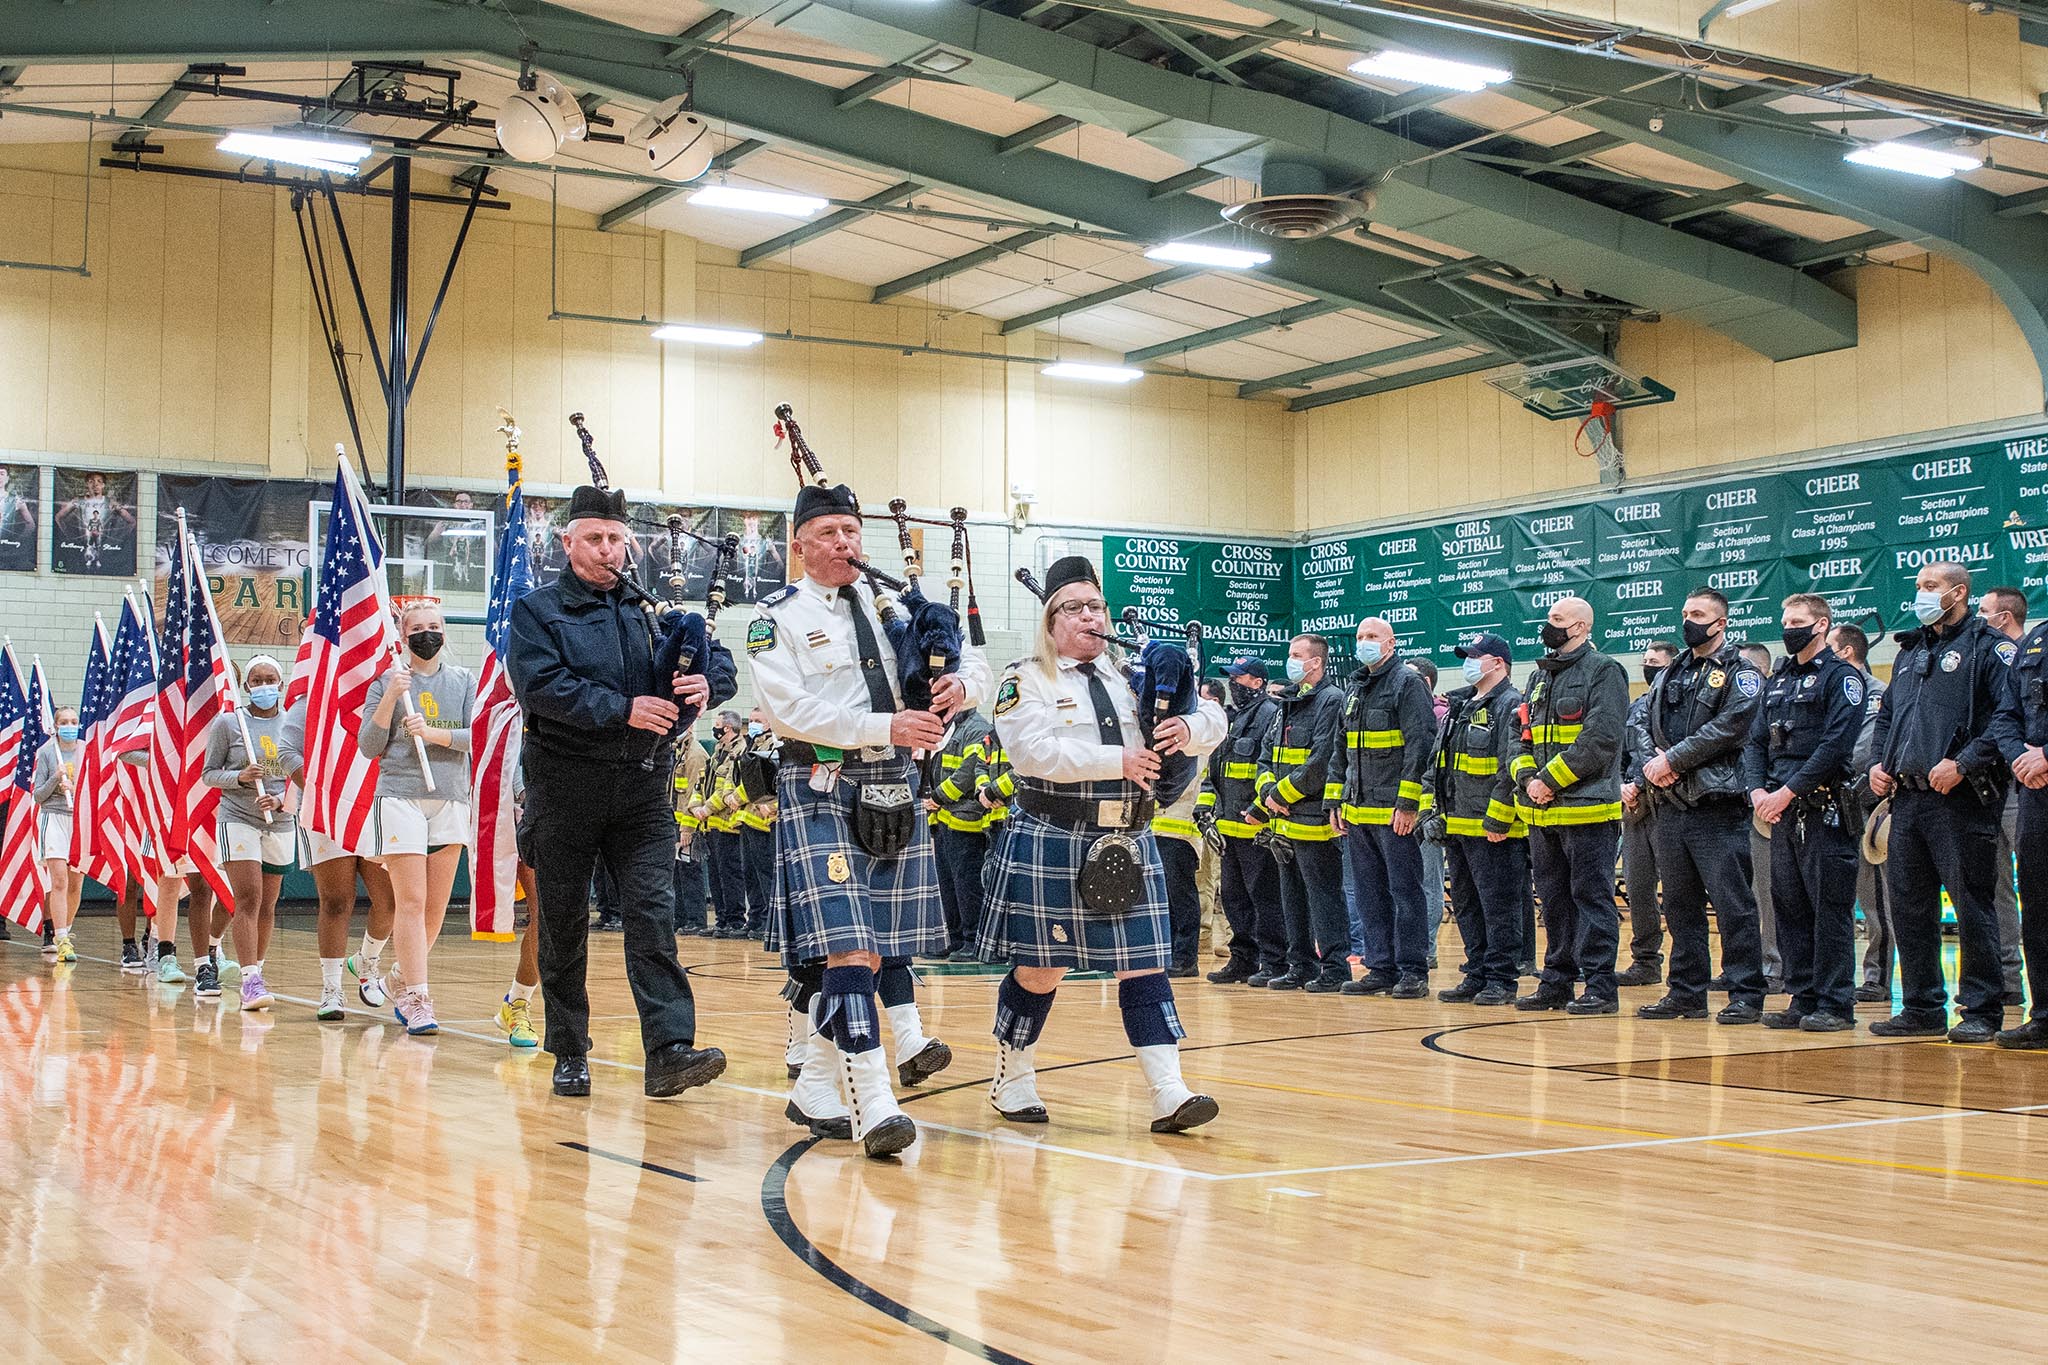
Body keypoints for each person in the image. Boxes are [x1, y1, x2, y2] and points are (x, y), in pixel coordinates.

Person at [747, 478, 988, 1157]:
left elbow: (977, 661)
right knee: (848, 947)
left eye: (851, 531)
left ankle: (814, 1087)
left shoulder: (896, 606)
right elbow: (790, 709)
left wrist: (960, 686)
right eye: (828, 533)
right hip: (821, 783)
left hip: (896, 782)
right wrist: (887, 724)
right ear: (800, 546)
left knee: (876, 948)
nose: (844, 543)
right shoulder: (776, 617)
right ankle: (874, 1102)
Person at [978, 555, 1224, 1133]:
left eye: (1096, 606)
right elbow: (1030, 752)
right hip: (1056, 833)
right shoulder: (1026, 679)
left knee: (1144, 965)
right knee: (1041, 969)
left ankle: (1168, 1090)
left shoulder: (1132, 675)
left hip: (1130, 836)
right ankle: (1013, 1075)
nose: (1089, 617)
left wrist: (1189, 727)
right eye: (1074, 608)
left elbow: (1216, 716)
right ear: (1051, 621)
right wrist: (1118, 760)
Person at [509, 482, 733, 1098]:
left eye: (615, 538)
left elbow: (715, 658)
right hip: (565, 788)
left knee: (653, 917)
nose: (606, 549)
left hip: (642, 790)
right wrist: (622, 708)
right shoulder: (538, 611)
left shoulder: (651, 610)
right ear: (568, 543)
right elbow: (540, 687)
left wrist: (710, 685)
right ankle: (569, 1050)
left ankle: (669, 1051)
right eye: (594, 538)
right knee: (562, 924)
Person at [1867, 561, 2014, 1042]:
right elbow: (1888, 716)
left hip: (1962, 798)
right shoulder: (1911, 651)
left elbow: (2007, 717)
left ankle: (1982, 1010)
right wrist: (1879, 762)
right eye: (1918, 586)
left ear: (1959, 593)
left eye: (1930, 586)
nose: (1921, 594)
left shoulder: (1989, 647)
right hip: (1907, 799)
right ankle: (1921, 1007)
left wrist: (1964, 763)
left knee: (1972, 906)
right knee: (1909, 907)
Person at [1633, 590, 1768, 1026]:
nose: (1688, 620)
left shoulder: (1741, 672)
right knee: (1678, 904)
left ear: (1721, 623)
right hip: (1670, 804)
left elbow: (1731, 727)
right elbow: (1641, 721)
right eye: (1685, 612)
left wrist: (1672, 760)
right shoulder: (1671, 671)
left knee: (1733, 905)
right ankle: (1686, 992)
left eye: (1698, 614)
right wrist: (1653, 765)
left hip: (1717, 806)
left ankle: (1746, 992)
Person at [1743, 595, 1864, 1031]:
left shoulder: (1841, 677)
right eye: (1785, 621)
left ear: (1821, 625)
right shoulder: (1778, 679)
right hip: (1781, 812)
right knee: (1789, 906)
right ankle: (1802, 996)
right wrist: (1757, 789)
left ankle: (1834, 1003)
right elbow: (1756, 741)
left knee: (1828, 909)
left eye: (1797, 622)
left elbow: (1835, 746)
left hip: (1824, 809)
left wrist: (1787, 791)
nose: (1788, 629)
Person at [358, 601, 475, 1035]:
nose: (427, 634)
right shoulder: (386, 682)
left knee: (435, 910)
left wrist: (433, 734)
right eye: (418, 628)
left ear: (444, 631)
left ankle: (398, 979)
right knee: (410, 901)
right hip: (400, 797)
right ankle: (419, 997)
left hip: (450, 797)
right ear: (403, 637)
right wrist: (391, 695)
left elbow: (477, 736)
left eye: (434, 626)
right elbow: (369, 746)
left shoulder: (464, 681)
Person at [1512, 595, 1629, 1014]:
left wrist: (1549, 780)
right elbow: (1519, 736)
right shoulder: (1538, 676)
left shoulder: (1604, 670)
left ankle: (1599, 986)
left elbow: (1601, 739)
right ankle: (1556, 982)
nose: (1549, 625)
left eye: (1557, 619)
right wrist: (1528, 779)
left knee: (1591, 899)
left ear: (1579, 627)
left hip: (1588, 810)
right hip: (1542, 813)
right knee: (1554, 901)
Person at [1332, 617, 1438, 998]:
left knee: (1405, 892)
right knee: (1369, 895)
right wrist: (1336, 800)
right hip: (1358, 813)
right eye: (1361, 636)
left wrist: (1408, 804)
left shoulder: (1407, 683)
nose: (1365, 642)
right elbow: (1340, 750)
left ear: (1391, 643)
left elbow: (1420, 745)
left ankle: (1413, 970)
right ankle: (1380, 967)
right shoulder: (1355, 688)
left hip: (1395, 814)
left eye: (1373, 636)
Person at [279, 692, 398, 1016]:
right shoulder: (310, 699)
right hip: (325, 809)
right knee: (336, 900)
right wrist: (320, 793)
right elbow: (287, 751)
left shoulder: (383, 693)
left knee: (389, 901)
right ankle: (331, 989)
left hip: (375, 805)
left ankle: (366, 961)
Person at [1433, 633, 1527, 1006]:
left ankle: (1501, 979)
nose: (1468, 663)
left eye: (1475, 656)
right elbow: (1438, 764)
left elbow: (1510, 766)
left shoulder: (1510, 703)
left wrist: (1499, 818)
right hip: (1458, 824)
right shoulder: (1460, 706)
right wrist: (1433, 811)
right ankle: (1476, 972)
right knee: (1467, 905)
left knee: (1499, 907)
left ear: (1497, 663)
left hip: (1493, 830)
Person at [1254, 635, 1350, 991]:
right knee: (1291, 899)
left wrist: (1282, 794)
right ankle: (1301, 965)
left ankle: (1335, 968)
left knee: (1324, 898)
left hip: (1313, 821)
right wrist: (1268, 793)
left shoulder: (1332, 700)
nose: (1290, 661)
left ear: (1316, 662)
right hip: (1282, 822)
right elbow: (1266, 756)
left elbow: (1322, 759)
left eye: (1297, 655)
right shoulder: (1288, 702)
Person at [202, 656, 297, 1010]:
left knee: (268, 904)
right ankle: (249, 980)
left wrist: (282, 801)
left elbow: (303, 777)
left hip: (280, 822)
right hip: (237, 817)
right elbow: (209, 774)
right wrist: (239, 778)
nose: (264, 685)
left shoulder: (293, 724)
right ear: (246, 686)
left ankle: (258, 968)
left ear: (281, 684)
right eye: (256, 681)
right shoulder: (229, 723)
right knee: (248, 898)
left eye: (270, 679)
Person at [1197, 659, 1284, 985]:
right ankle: (1243, 959)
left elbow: (1272, 768)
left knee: (1265, 898)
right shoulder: (1231, 719)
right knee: (1234, 898)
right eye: (1232, 678)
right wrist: (1205, 810)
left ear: (1258, 682)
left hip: (1256, 826)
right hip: (1227, 827)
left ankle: (1274, 961)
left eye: (1240, 678)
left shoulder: (1271, 715)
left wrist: (1261, 809)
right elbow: (1214, 770)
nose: (1234, 684)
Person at [1991, 600, 2048, 1047]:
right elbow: (2005, 714)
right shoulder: (2035, 641)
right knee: (2039, 903)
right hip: (2035, 790)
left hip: (2040, 767)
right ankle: (2044, 1015)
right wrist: (2020, 758)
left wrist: (2046, 755)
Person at [1831, 622, 1894, 1003]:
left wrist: (1827, 769)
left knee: (1875, 901)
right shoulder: (1828, 691)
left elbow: (1866, 750)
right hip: (1826, 804)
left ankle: (1876, 977)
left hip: (1865, 803)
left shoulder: (1876, 694)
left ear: (1847, 652)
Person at [1978, 586, 2029, 1006]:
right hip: (1991, 785)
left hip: (2030, 785)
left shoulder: (2027, 656)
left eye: (1984, 611)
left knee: (2035, 883)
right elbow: (1996, 722)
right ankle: (2008, 979)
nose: (1980, 618)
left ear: (2004, 617)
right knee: (1995, 889)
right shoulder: (1983, 658)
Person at [1619, 640, 1677, 987]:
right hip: (1635, 808)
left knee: (1679, 890)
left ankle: (1689, 967)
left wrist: (1641, 782)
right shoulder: (1635, 706)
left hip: (1671, 804)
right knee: (1638, 887)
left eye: (1654, 661)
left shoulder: (1678, 705)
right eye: (1645, 660)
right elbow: (1621, 755)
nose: (1647, 666)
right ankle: (1645, 961)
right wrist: (1623, 785)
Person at [930, 704, 997, 960]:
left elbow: (967, 774)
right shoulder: (953, 728)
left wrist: (937, 796)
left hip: (967, 819)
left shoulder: (976, 728)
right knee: (948, 884)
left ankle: (973, 940)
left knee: (967, 883)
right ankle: (955, 938)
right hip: (946, 817)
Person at [1736, 640, 1783, 991]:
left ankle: (1776, 967)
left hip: (1774, 806)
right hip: (1741, 805)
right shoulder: (1735, 703)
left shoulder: (1771, 701)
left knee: (1772, 894)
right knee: (1749, 894)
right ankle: (1749, 965)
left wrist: (1765, 793)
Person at [33, 706, 85, 964]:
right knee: (60, 881)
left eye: (74, 721)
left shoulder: (85, 750)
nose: (69, 726)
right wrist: (55, 778)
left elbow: (94, 786)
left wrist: (75, 788)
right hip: (53, 817)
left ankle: (65, 929)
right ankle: (61, 937)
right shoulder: (47, 752)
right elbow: (38, 795)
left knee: (75, 884)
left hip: (78, 819)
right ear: (55, 726)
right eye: (64, 722)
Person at [1409, 657, 1449, 970]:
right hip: (1396, 810)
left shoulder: (1440, 715)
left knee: (1428, 881)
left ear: (1425, 682)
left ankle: (1427, 948)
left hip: (1427, 811)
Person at [735, 707, 780, 942]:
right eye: (750, 720)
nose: (752, 724)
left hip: (766, 820)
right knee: (750, 874)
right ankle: (755, 920)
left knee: (767, 875)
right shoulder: (750, 745)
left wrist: (737, 797)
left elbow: (766, 780)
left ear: (769, 723)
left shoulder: (774, 745)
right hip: (748, 818)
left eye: (757, 721)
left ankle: (769, 923)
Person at [704, 711, 749, 938]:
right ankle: (721, 919)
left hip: (729, 822)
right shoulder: (718, 751)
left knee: (731, 873)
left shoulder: (739, 751)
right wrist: (699, 808)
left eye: (718, 725)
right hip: (712, 823)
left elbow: (725, 788)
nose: (715, 729)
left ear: (728, 728)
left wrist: (706, 808)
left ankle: (735, 919)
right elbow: (704, 783)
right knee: (716, 873)